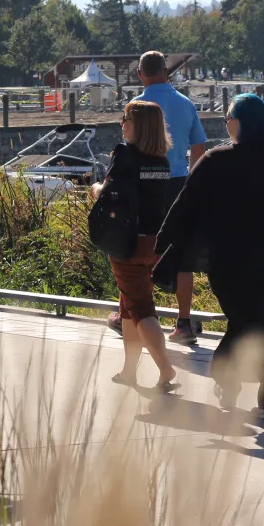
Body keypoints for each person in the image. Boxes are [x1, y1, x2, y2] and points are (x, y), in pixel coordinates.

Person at [157, 94, 264, 421]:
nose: (226, 124)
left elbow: (184, 206)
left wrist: (162, 244)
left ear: (238, 123)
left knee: (249, 321)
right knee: (251, 319)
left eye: (228, 118)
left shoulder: (217, 160)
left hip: (231, 261)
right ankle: (233, 383)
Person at [107, 50, 207, 345]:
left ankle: (134, 313)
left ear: (140, 75)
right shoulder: (186, 103)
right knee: (182, 254)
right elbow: (198, 147)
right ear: (167, 72)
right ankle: (184, 322)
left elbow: (128, 149)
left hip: (144, 185)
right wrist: (190, 183)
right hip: (177, 183)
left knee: (135, 249)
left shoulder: (137, 106)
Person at [91, 101, 179, 392]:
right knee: (128, 306)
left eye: (126, 118)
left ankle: (166, 369)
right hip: (155, 243)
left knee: (141, 309)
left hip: (127, 243)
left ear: (137, 124)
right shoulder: (162, 162)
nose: (122, 123)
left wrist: (94, 189)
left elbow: (109, 192)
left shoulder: (125, 154)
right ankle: (129, 371)